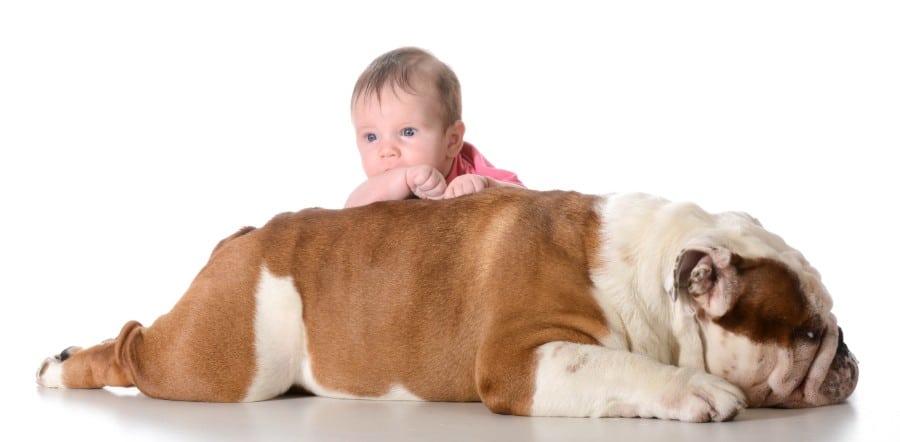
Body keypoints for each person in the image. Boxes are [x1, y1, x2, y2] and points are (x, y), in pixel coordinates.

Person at [345, 47, 523, 208]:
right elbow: (351, 210)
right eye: (371, 137)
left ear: (452, 141)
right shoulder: (379, 187)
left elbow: (526, 198)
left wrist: (488, 185)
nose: (386, 150)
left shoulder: (471, 171)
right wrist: (404, 179)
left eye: (407, 132)